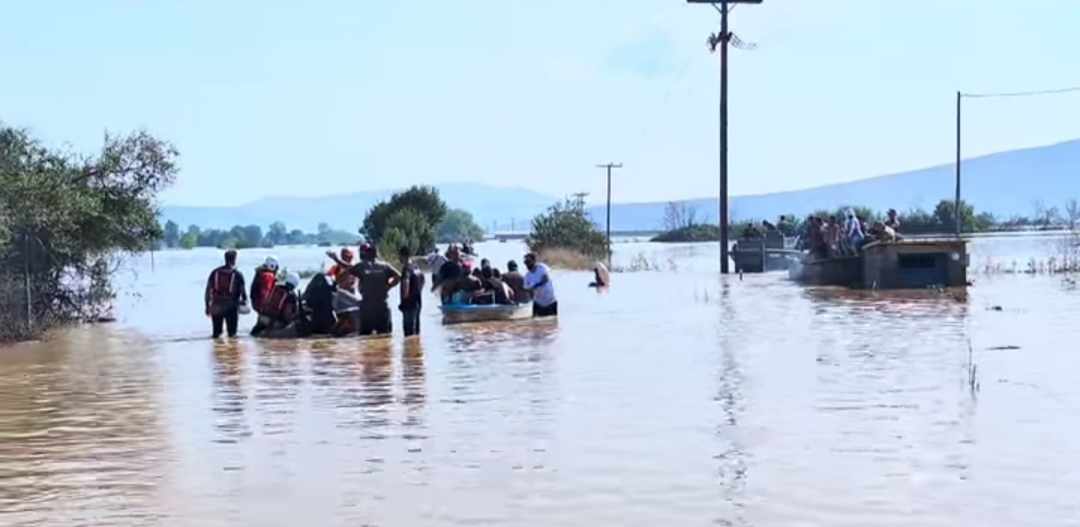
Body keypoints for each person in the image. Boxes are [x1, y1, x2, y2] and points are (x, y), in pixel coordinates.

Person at [328, 243, 400, 335]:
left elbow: (348, 267)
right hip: (382, 306)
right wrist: (388, 287)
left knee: (366, 338)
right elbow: (398, 276)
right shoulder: (385, 266)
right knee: (384, 337)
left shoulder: (362, 266)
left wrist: (336, 259)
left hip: (367, 307)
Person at [205, 250, 248, 338]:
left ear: (225, 259)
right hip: (231, 307)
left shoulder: (215, 272)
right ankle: (231, 351)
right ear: (234, 260)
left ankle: (217, 350)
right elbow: (243, 293)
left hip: (216, 306)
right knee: (232, 335)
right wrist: (244, 302)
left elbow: (208, 291)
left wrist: (207, 306)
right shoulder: (238, 274)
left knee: (216, 335)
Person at [252, 271, 301, 337]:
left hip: (262, 317)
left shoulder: (275, 288)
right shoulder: (291, 295)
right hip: (274, 323)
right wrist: (295, 316)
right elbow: (287, 315)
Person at [398, 246, 424, 337]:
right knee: (416, 331)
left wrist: (403, 301)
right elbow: (423, 281)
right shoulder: (416, 267)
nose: (399, 259)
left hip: (408, 304)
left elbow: (406, 283)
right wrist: (417, 292)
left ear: (403, 256)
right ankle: (416, 350)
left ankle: (409, 350)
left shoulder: (406, 269)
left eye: (399, 256)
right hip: (417, 302)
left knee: (408, 333)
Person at [523, 253, 557, 317]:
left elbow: (545, 279)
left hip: (550, 301)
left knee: (552, 323)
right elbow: (526, 289)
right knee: (536, 324)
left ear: (534, 261)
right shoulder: (527, 276)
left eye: (528, 262)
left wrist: (534, 286)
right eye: (525, 262)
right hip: (538, 303)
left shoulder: (542, 267)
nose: (527, 264)